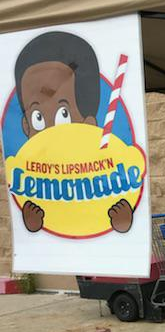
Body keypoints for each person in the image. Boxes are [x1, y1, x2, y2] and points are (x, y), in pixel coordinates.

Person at [13, 31, 133, 234]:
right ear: (26, 126)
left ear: (89, 123)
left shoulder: (103, 166)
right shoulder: (33, 175)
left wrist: (123, 221)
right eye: (38, 119)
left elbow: (113, 213)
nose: (51, 132)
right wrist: (32, 225)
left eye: (63, 114)